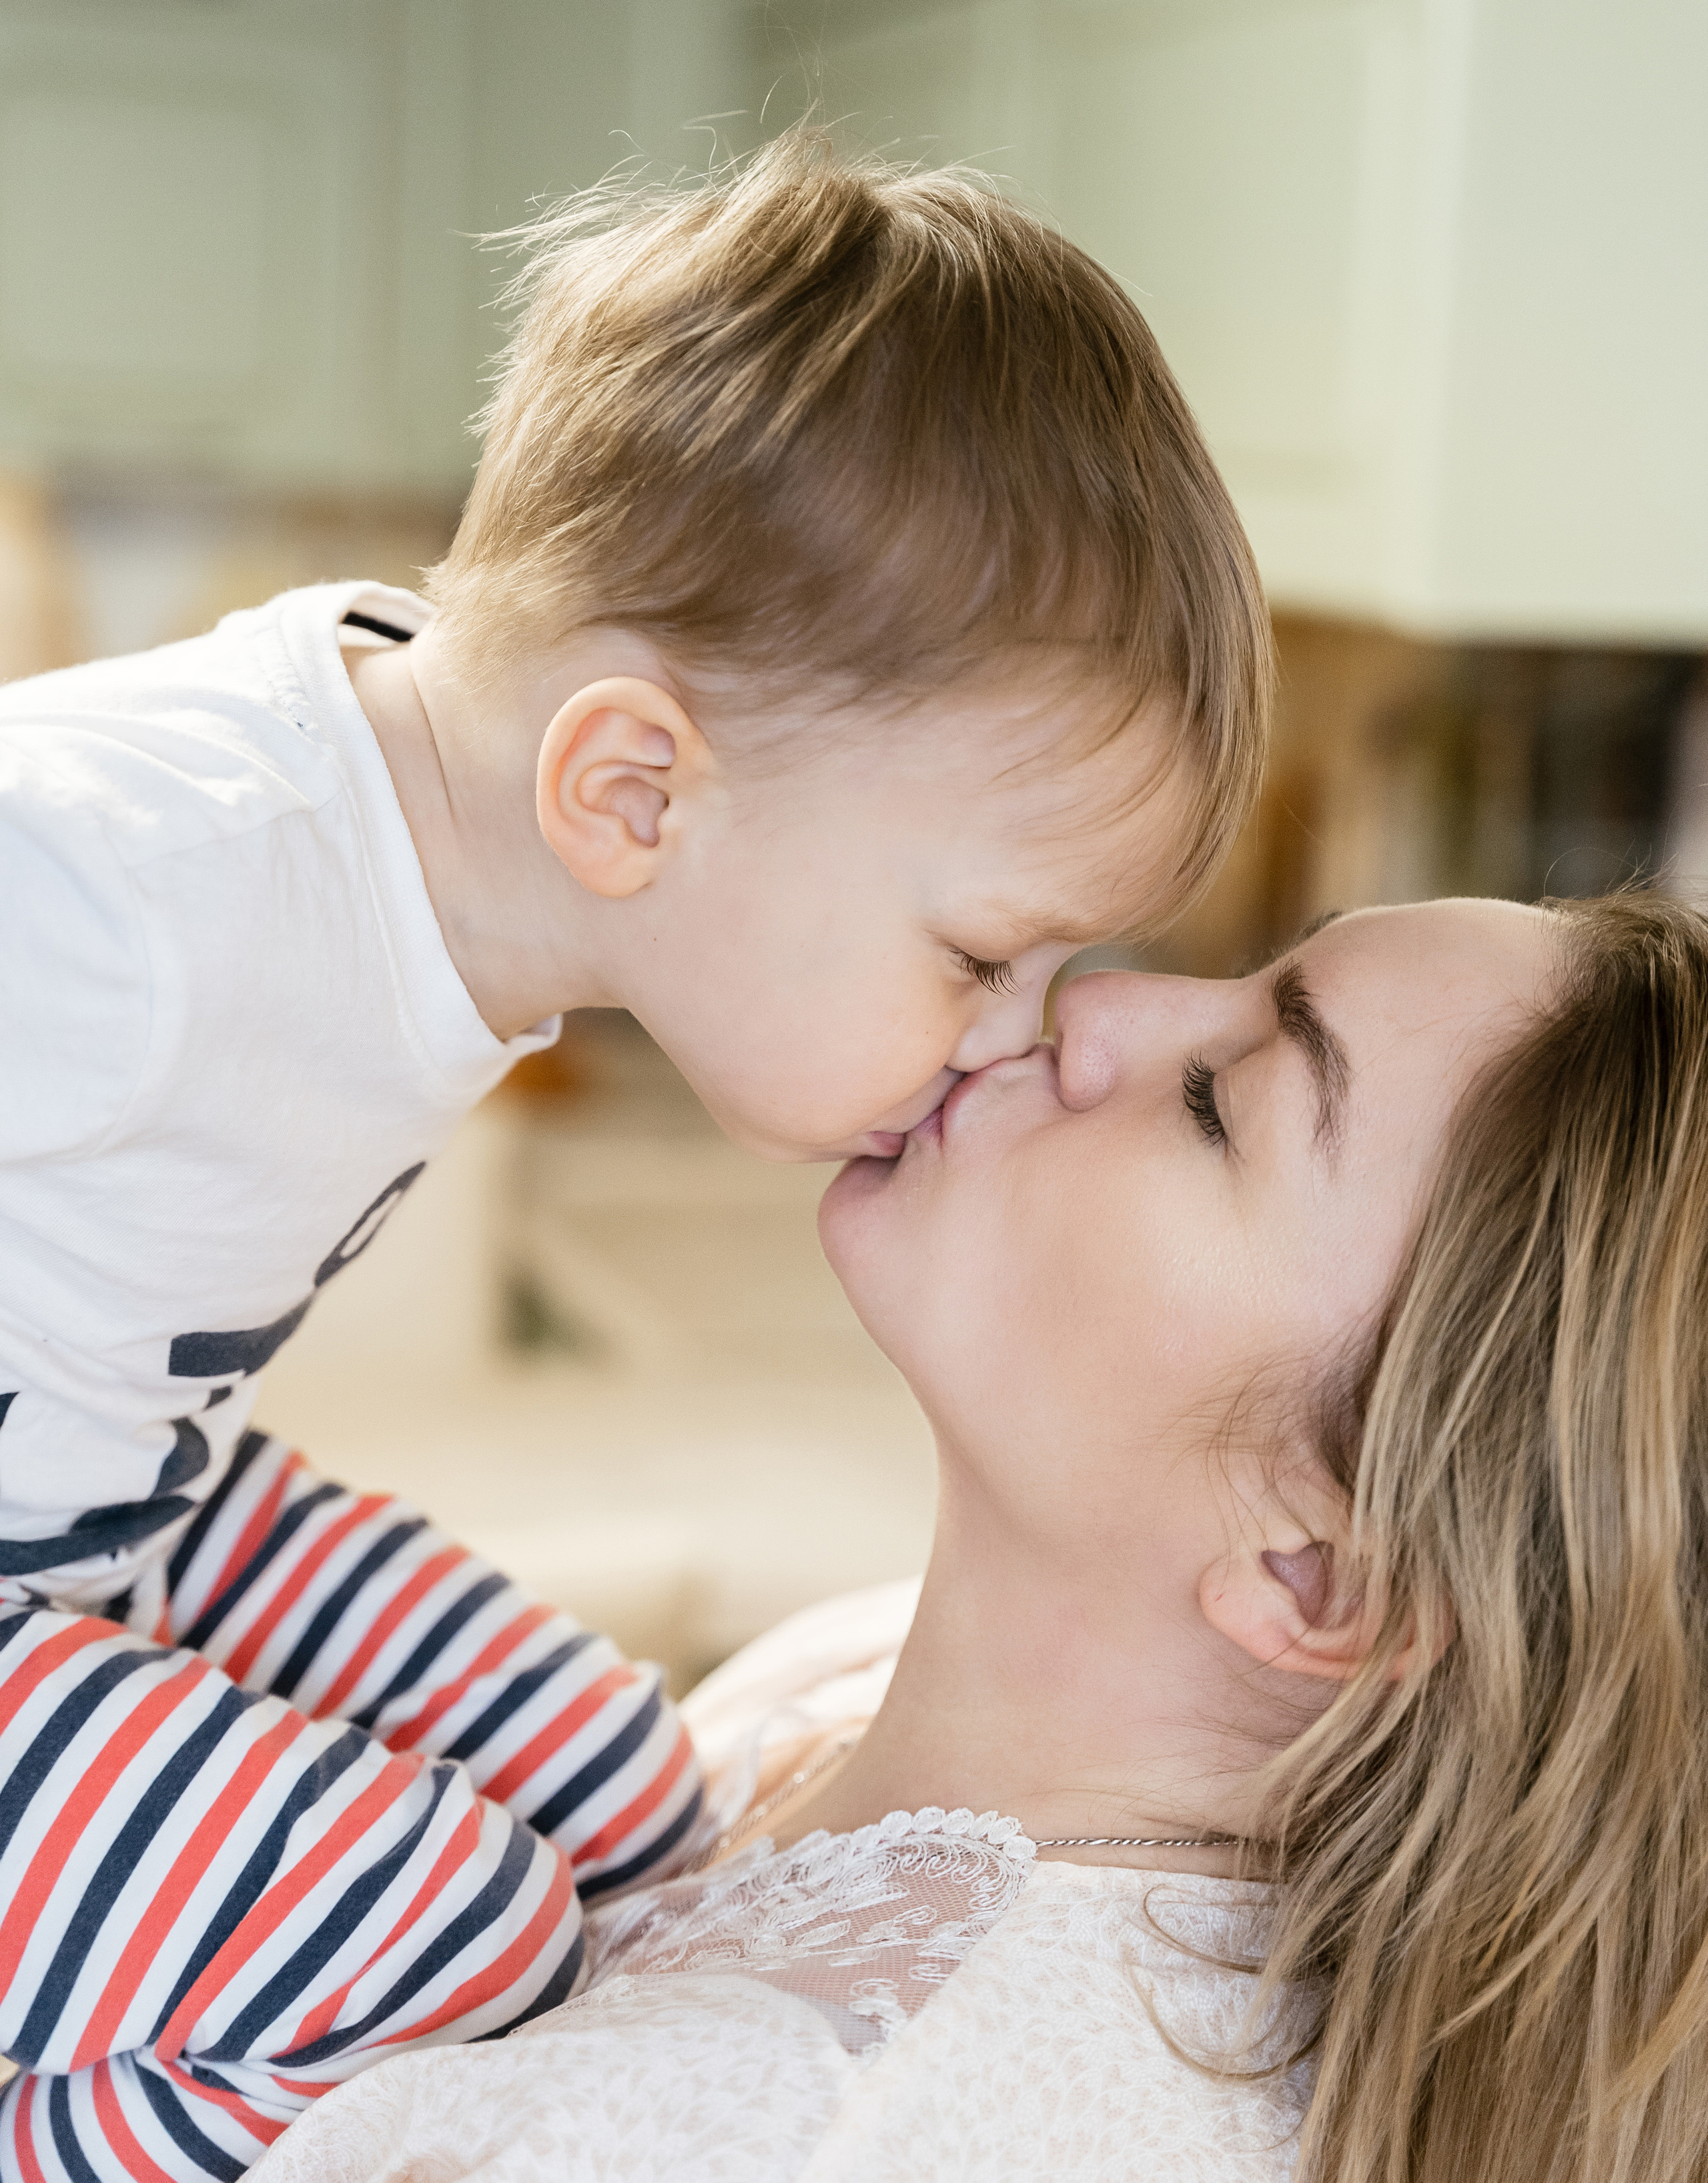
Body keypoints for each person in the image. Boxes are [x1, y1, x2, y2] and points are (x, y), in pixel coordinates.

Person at [0, 133, 1271, 2181]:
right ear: (632, 787)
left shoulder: (417, 837)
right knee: (447, 1923)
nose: (1017, 1031)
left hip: (100, 1499)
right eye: (981, 950)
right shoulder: (145, 879)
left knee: (618, 1788)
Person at [246, 889, 1708, 2183]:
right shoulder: (865, 1677)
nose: (1099, 1002)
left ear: (1311, 1572)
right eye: (1253, 973)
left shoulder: (788, 2130)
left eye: (1215, 1102)